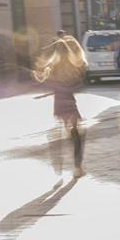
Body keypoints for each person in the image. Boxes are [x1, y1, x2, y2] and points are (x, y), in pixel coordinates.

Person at [34, 35, 88, 179]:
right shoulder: (73, 64)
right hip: (69, 102)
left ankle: (58, 162)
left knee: (66, 131)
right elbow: (79, 84)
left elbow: (44, 82)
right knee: (77, 134)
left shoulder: (53, 65)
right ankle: (78, 167)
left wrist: (39, 76)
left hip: (59, 103)